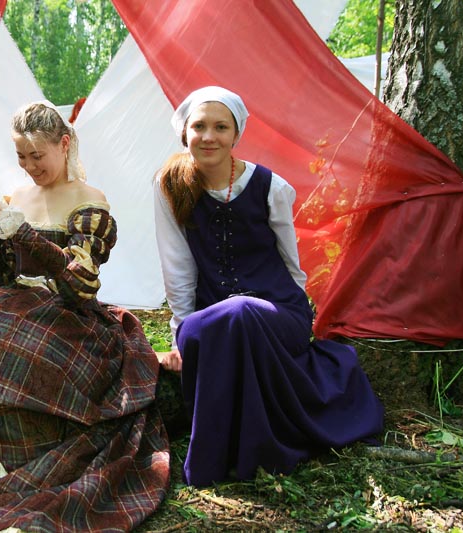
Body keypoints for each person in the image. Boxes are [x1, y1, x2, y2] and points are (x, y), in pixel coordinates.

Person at [0, 102, 169, 532]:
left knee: (30, 355)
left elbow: (80, 286)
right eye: (21, 157)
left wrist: (27, 235)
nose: (29, 167)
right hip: (14, 304)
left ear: (63, 145)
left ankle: (27, 449)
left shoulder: (90, 201)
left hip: (70, 315)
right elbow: (3, 277)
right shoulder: (18, 197)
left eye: (37, 156)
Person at [153, 86, 384, 487]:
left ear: (236, 134)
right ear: (184, 132)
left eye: (220, 127)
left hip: (279, 312)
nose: (208, 136)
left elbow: (291, 265)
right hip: (214, 318)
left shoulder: (270, 187)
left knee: (242, 311)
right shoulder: (170, 185)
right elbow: (178, 267)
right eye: (199, 126)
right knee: (225, 321)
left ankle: (233, 456)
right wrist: (181, 335)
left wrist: (301, 317)